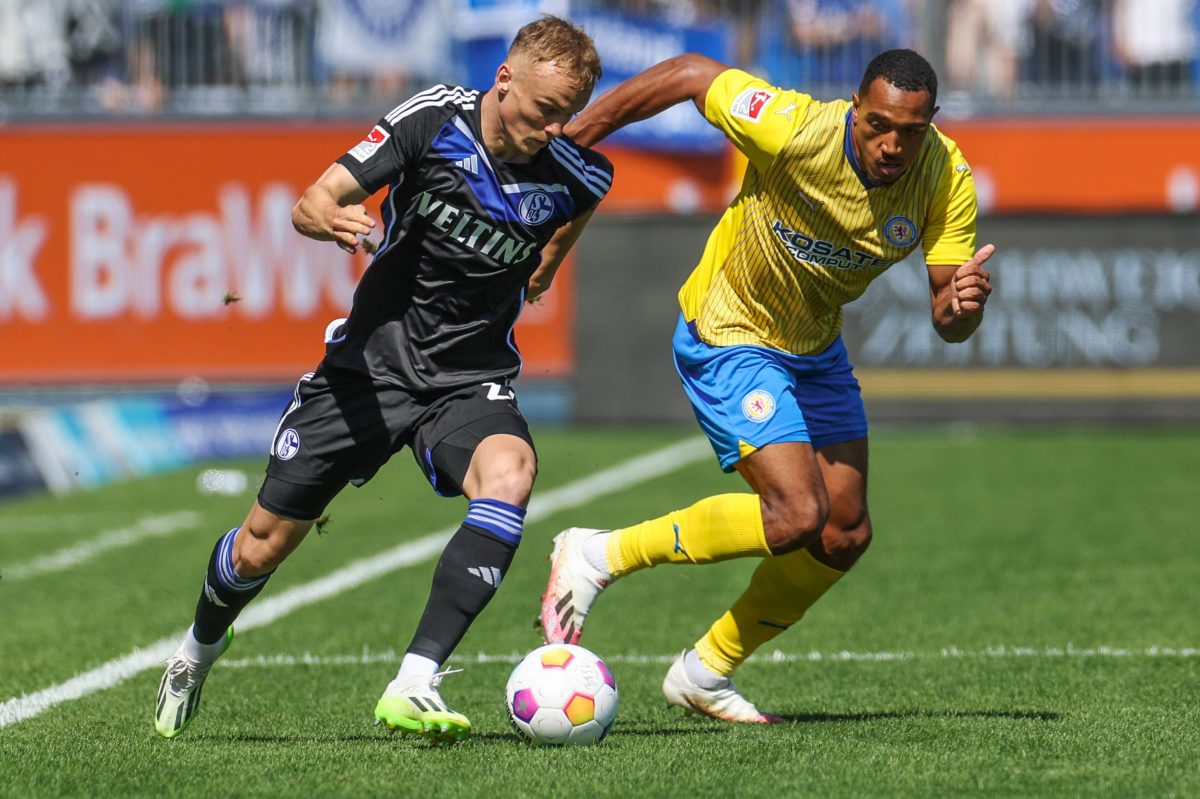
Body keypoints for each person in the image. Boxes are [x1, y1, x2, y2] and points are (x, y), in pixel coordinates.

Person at [154, 15, 611, 743]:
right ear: (504, 80)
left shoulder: (576, 172)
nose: (556, 129)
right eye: (544, 109)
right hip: (368, 370)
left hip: (467, 379)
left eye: (570, 115)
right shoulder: (432, 120)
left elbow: (577, 208)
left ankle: (414, 679)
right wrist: (329, 219)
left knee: (512, 471)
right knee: (259, 547)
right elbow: (314, 200)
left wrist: (548, 263)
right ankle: (198, 648)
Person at [538, 49, 993, 723]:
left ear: (931, 123)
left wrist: (966, 307)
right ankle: (597, 553)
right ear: (854, 107)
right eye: (878, 125)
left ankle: (705, 670)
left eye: (911, 130)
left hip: (813, 347)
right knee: (795, 514)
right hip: (730, 329)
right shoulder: (795, 128)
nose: (892, 144)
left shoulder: (944, 178)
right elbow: (691, 73)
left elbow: (947, 318)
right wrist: (576, 136)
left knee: (843, 532)